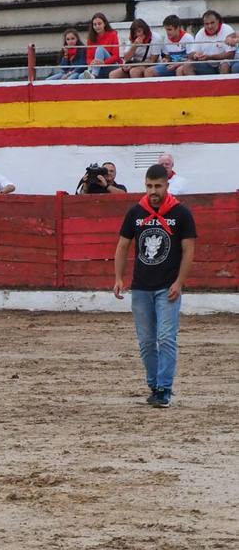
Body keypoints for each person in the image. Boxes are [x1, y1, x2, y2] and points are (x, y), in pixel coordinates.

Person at [112, 164, 197, 408]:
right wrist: (119, 277)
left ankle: (164, 388)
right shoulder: (136, 212)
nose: (153, 191)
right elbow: (122, 245)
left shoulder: (181, 213)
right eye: (149, 186)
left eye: (158, 186)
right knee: (147, 341)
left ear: (167, 186)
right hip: (140, 287)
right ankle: (154, 384)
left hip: (167, 286)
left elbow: (188, 249)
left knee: (166, 338)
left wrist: (180, 282)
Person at [177, 10, 236, 75]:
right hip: (207, 65)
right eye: (206, 24)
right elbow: (191, 53)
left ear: (218, 21)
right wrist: (196, 55)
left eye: (212, 23)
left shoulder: (227, 29)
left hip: (224, 63)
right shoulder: (200, 33)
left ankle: (223, 85)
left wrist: (210, 57)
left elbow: (230, 55)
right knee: (187, 65)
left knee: (225, 65)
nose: (209, 26)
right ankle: (196, 85)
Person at [83, 12, 121, 79]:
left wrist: (103, 62)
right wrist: (92, 62)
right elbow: (88, 58)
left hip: (112, 66)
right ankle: (93, 76)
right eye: (94, 24)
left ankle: (94, 75)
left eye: (99, 24)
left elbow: (116, 56)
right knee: (81, 77)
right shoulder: (90, 39)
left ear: (104, 24)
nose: (97, 26)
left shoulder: (113, 34)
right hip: (99, 67)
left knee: (100, 49)